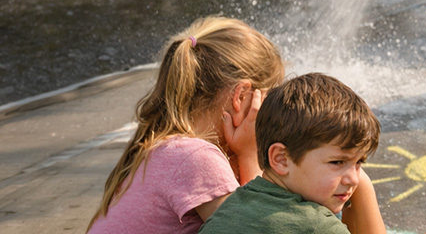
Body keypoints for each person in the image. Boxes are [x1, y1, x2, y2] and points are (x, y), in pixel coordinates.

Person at [88, 17, 384, 234]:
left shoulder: (167, 144)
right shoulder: (196, 158)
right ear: (242, 97)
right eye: (269, 98)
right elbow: (256, 221)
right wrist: (249, 154)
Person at [199, 73, 382, 234]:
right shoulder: (318, 226)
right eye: (337, 162)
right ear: (281, 159)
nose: (354, 179)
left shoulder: (233, 205)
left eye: (359, 162)